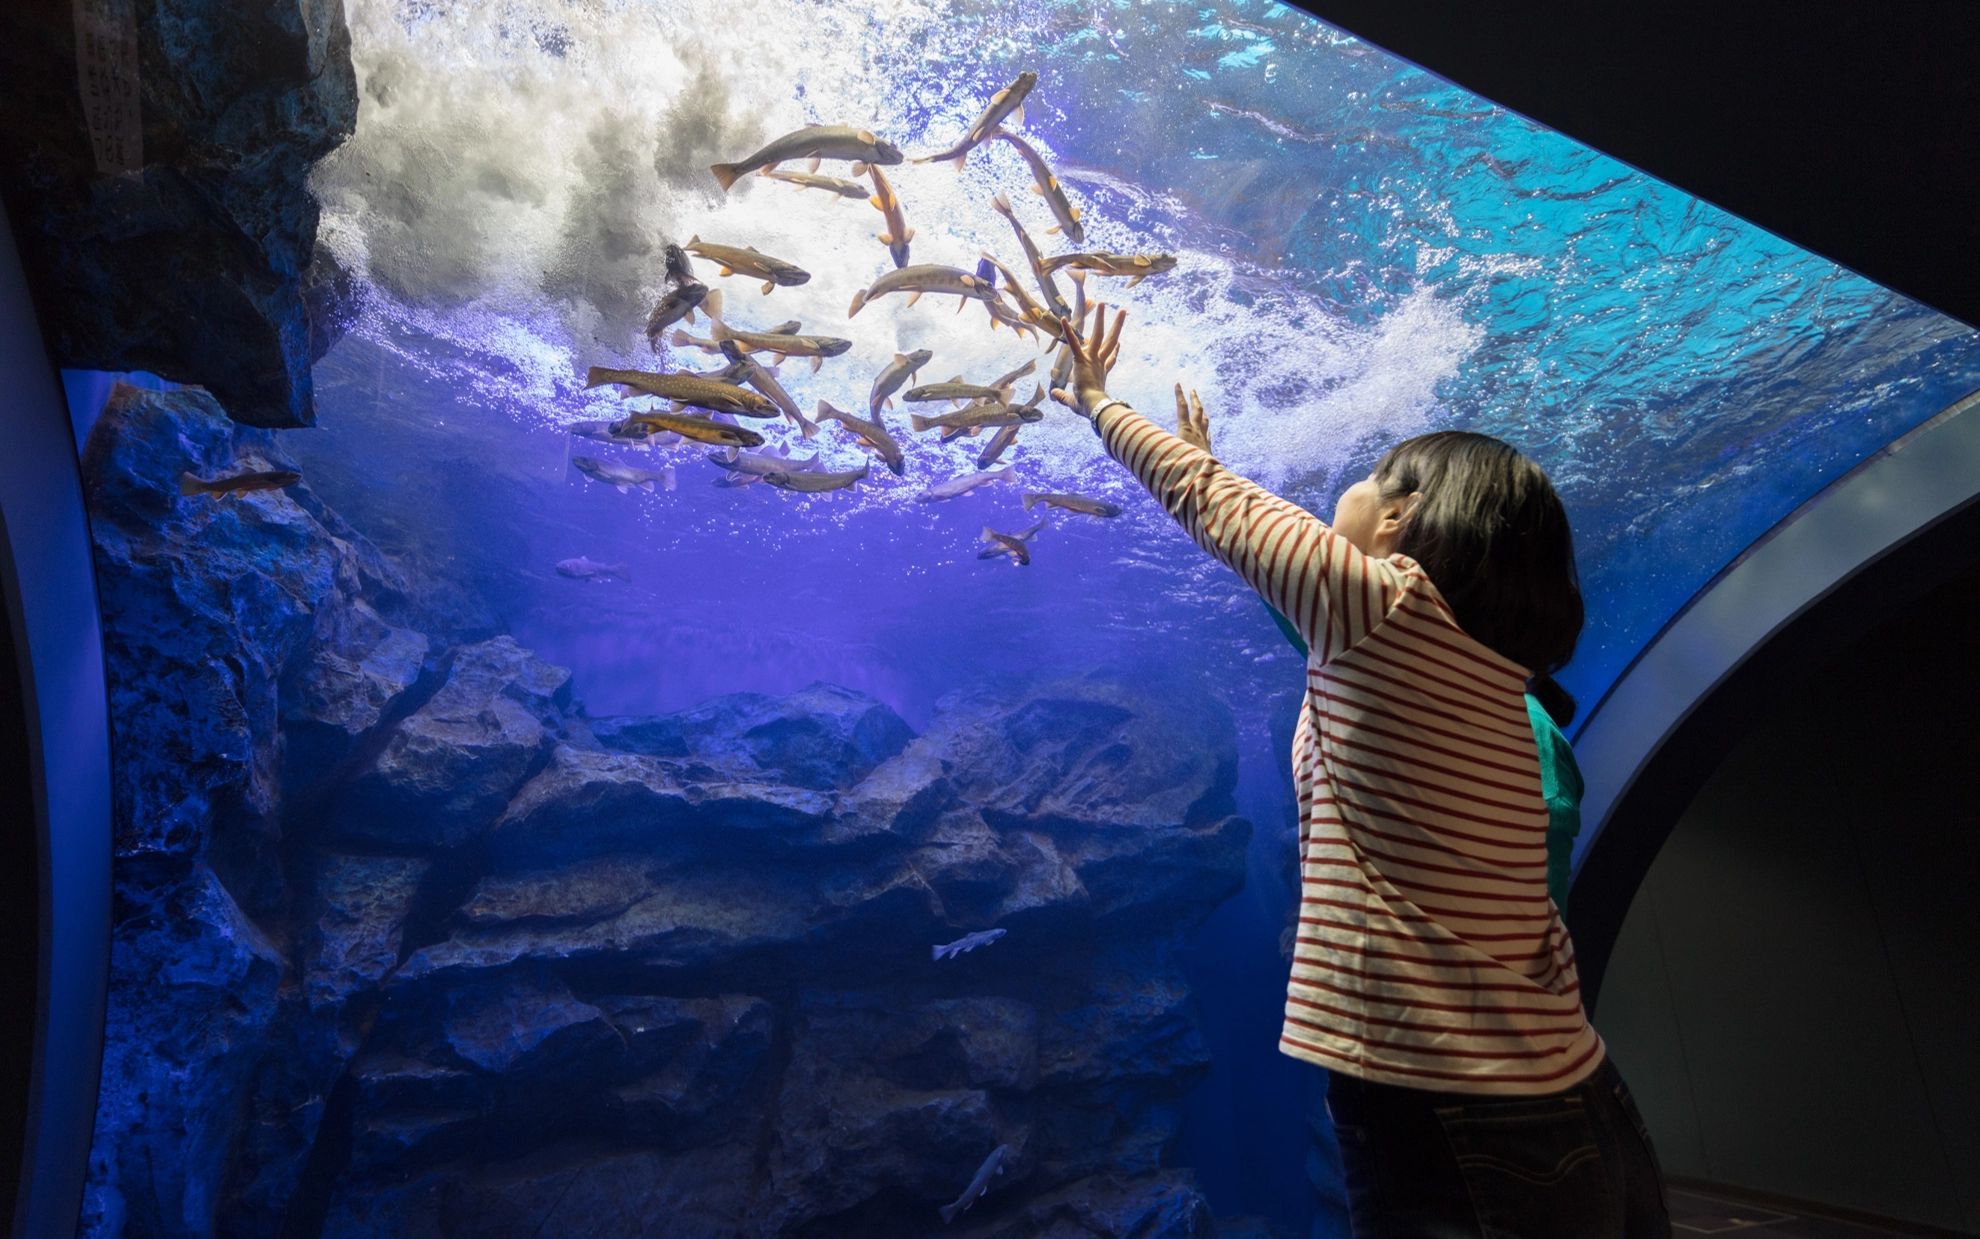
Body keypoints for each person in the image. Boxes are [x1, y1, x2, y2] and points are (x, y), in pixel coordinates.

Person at [1053, 307, 1668, 1238]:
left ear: (1398, 518)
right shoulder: (1492, 675)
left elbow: (1213, 504)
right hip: (1575, 1087)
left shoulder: (1387, 608)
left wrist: (1100, 400)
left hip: (1452, 1103)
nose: (1340, 495)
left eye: (1369, 474)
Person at [1178, 384, 1589, 919]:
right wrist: (1207, 473)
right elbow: (1277, 567)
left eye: (1371, 477)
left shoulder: (1528, 734)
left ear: (1396, 518)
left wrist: (1184, 463)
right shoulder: (1366, 652)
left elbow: (1538, 903)